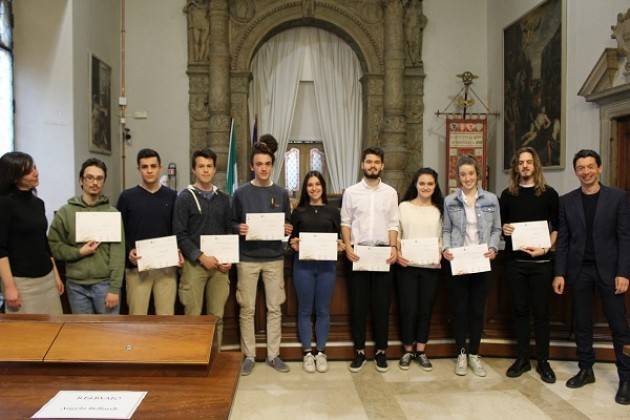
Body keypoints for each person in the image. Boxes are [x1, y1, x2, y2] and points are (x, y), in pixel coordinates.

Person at [553, 149, 630, 405]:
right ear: (576, 172)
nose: (585, 172)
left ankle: (626, 378)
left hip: (610, 271)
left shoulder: (618, 198)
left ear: (599, 168)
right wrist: (559, 273)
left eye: (590, 167)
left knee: (619, 327)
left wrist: (623, 272)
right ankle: (586, 369)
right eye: (581, 168)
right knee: (582, 324)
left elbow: (624, 238)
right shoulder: (566, 201)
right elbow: (562, 240)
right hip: (579, 271)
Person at [232, 137, 292, 376]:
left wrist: (288, 228)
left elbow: (287, 221)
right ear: (252, 166)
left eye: (267, 164)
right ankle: (249, 355)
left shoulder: (281, 193)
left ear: (272, 166)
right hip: (247, 259)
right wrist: (239, 228)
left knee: (274, 308)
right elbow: (230, 222)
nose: (264, 168)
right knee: (246, 309)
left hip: (274, 257)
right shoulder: (240, 193)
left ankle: (273, 355)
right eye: (259, 164)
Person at [500, 147, 558, 383]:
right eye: (520, 162)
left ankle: (543, 361)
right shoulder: (507, 195)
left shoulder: (549, 194)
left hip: (542, 262)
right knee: (520, 311)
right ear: (516, 167)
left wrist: (546, 248)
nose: (524, 166)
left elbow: (557, 228)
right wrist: (505, 230)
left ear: (535, 166)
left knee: (542, 314)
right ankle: (522, 359)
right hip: (515, 263)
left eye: (528, 162)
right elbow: (503, 228)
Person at [341, 147, 399, 373]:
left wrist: (394, 247)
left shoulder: (391, 193)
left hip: (383, 254)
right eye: (369, 162)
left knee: (381, 306)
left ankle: (381, 352)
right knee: (358, 306)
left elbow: (393, 223)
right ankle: (359, 352)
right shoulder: (352, 192)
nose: (372, 165)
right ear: (362, 165)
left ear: (382, 166)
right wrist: (347, 246)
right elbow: (345, 222)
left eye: (376, 162)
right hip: (358, 253)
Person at [442, 155, 501, 377]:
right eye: (463, 174)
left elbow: (496, 229)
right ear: (458, 176)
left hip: (482, 260)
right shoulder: (450, 201)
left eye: (471, 173)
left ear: (478, 175)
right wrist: (446, 248)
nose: (467, 178)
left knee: (477, 310)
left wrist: (494, 248)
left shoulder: (491, 200)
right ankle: (461, 353)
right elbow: (446, 230)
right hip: (458, 261)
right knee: (460, 310)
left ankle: (474, 354)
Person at [48, 158, 125, 314]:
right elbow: (54, 246)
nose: (94, 182)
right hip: (76, 286)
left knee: (110, 333)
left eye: (99, 178)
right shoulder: (66, 212)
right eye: (89, 177)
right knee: (83, 333)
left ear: (104, 181)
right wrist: (78, 252)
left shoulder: (112, 214)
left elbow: (118, 254)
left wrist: (114, 288)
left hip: (105, 285)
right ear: (81, 180)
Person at [173, 148, 232, 347]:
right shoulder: (184, 198)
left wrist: (227, 259)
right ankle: (194, 360)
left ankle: (216, 359)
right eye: (201, 166)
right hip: (194, 266)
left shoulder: (224, 198)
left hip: (219, 267)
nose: (205, 170)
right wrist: (199, 256)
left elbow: (228, 230)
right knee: (193, 317)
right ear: (194, 169)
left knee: (217, 317)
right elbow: (180, 234)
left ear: (215, 170)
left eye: (209, 166)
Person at [289, 170, 342, 373]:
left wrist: (340, 245)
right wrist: (293, 243)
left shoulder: (333, 211)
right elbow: (291, 239)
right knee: (304, 309)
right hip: (303, 267)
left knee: (323, 310)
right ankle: (307, 353)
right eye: (310, 185)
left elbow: (340, 239)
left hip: (327, 266)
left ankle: (321, 352)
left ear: (323, 187)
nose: (314, 188)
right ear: (305, 188)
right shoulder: (298, 211)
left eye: (317, 184)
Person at [0, 151, 63, 314]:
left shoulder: (38, 203)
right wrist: (9, 287)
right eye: (28, 171)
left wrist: (55, 274)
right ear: (14, 177)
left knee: (55, 329)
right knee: (28, 335)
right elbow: (1, 250)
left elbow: (43, 242)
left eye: (34, 167)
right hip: (22, 282)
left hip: (47, 277)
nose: (36, 173)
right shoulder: (4, 204)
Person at [117, 148, 178, 315]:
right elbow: (120, 232)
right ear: (139, 169)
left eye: (153, 166)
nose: (149, 170)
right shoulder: (127, 197)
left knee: (165, 319)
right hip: (137, 268)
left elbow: (177, 229)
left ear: (160, 168)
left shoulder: (172, 196)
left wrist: (178, 251)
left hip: (166, 269)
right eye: (144, 167)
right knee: (137, 319)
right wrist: (129, 252)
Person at [396, 167, 443, 371]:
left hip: (430, 266)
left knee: (425, 309)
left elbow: (442, 238)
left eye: (430, 184)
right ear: (415, 184)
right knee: (408, 309)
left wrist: (439, 252)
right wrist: (397, 252)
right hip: (406, 266)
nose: (425, 187)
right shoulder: (403, 207)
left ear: (435, 186)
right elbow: (396, 233)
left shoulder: (438, 210)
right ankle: (407, 350)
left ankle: (421, 350)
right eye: (422, 183)